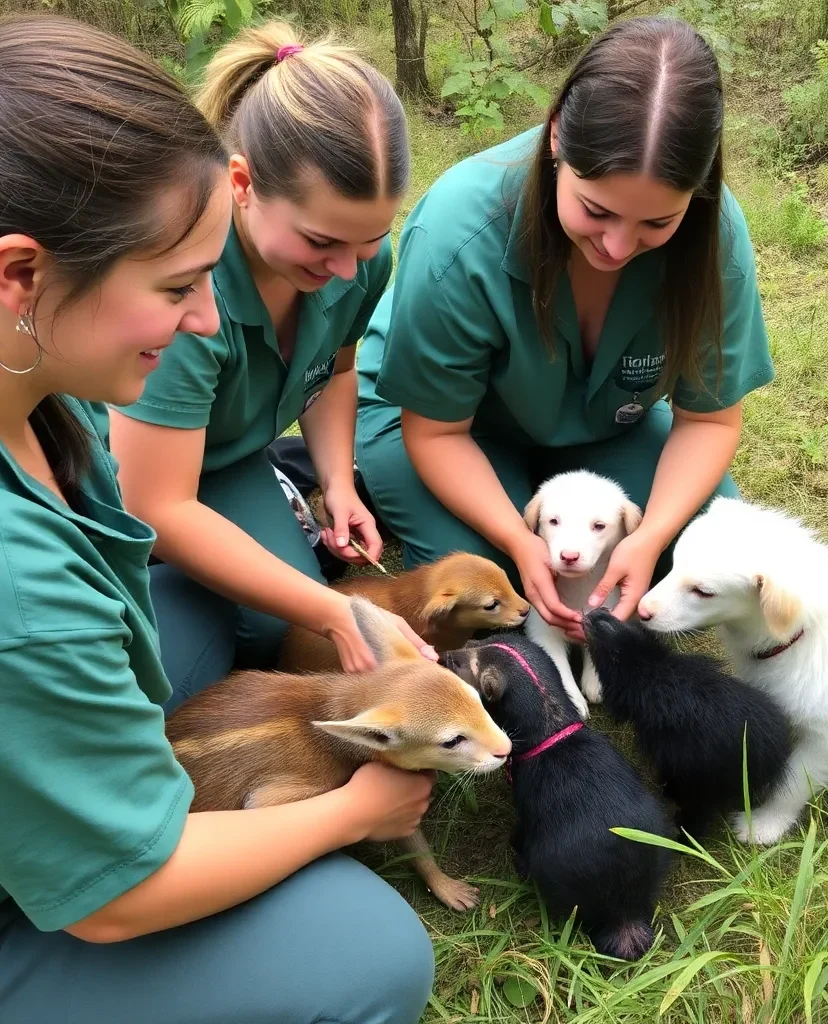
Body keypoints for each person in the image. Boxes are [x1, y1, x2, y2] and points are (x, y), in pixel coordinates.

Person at [0, 16, 434, 1024]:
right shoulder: (21, 587)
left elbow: (329, 366)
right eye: (175, 288)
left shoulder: (45, 398)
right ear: (20, 273)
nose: (206, 319)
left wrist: (336, 489)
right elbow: (118, 895)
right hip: (51, 902)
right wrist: (349, 810)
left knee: (193, 640)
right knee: (370, 957)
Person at [356, 16, 774, 640]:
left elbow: (709, 419)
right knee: (488, 589)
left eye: (657, 224)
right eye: (596, 210)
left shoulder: (716, 236)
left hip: (602, 421)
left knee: (700, 554)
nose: (617, 245)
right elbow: (438, 430)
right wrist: (518, 541)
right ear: (556, 141)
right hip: (441, 430)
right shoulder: (457, 229)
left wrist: (652, 533)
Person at [108, 21, 428, 704]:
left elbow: (336, 371)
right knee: (260, 623)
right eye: (320, 240)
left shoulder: (356, 265)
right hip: (122, 474)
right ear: (242, 182)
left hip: (222, 459)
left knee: (271, 626)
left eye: (371, 238)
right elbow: (154, 499)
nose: (346, 267)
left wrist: (340, 485)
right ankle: (132, 592)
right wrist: (335, 610)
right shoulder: (190, 293)